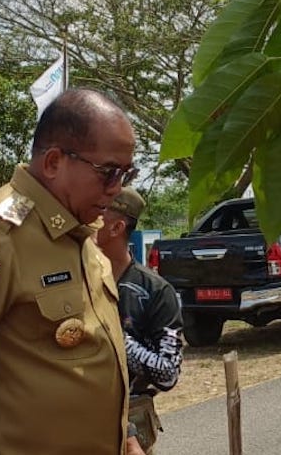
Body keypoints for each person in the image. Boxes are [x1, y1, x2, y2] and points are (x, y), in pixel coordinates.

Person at [0, 88, 144, 455]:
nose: (117, 190)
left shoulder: (80, 232)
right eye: (108, 173)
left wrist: (127, 441)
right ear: (53, 162)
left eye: (126, 174)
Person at [93, 187, 183, 455]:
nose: (87, 220)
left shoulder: (155, 291)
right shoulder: (74, 277)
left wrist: (117, 339)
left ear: (116, 227)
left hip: (131, 424)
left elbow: (168, 374)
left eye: (99, 212)